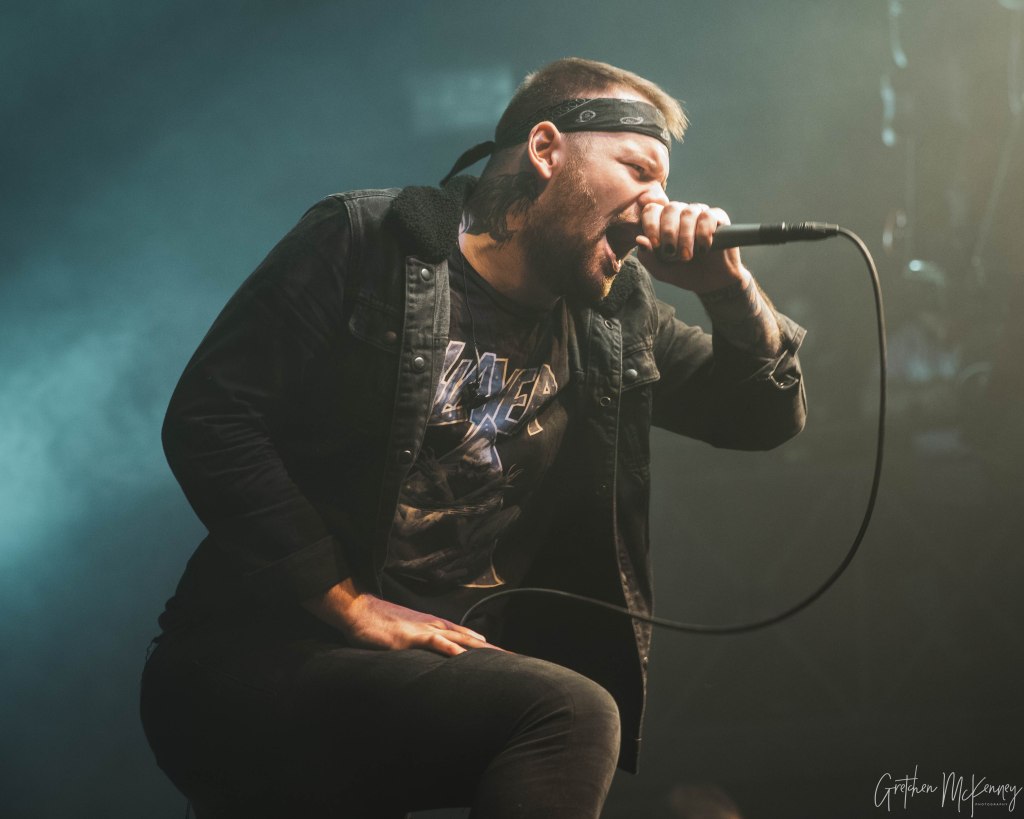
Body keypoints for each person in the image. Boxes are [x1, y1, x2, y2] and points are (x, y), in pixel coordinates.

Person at [140, 57, 807, 818]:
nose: (659, 205)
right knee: (569, 714)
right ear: (546, 149)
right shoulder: (368, 241)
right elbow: (212, 417)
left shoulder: (615, 319)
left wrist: (730, 290)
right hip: (256, 656)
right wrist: (346, 601)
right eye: (638, 170)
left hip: (418, 676)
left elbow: (763, 417)